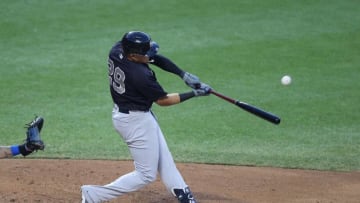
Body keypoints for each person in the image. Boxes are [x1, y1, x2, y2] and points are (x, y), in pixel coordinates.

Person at [81, 31, 212, 203]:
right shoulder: (140, 76)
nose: (149, 56)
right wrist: (194, 93)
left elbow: (153, 58)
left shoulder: (118, 50)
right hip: (134, 122)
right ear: (134, 56)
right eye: (145, 54)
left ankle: (183, 194)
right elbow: (163, 100)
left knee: (164, 158)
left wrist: (182, 74)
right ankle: (94, 195)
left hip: (137, 115)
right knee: (146, 175)